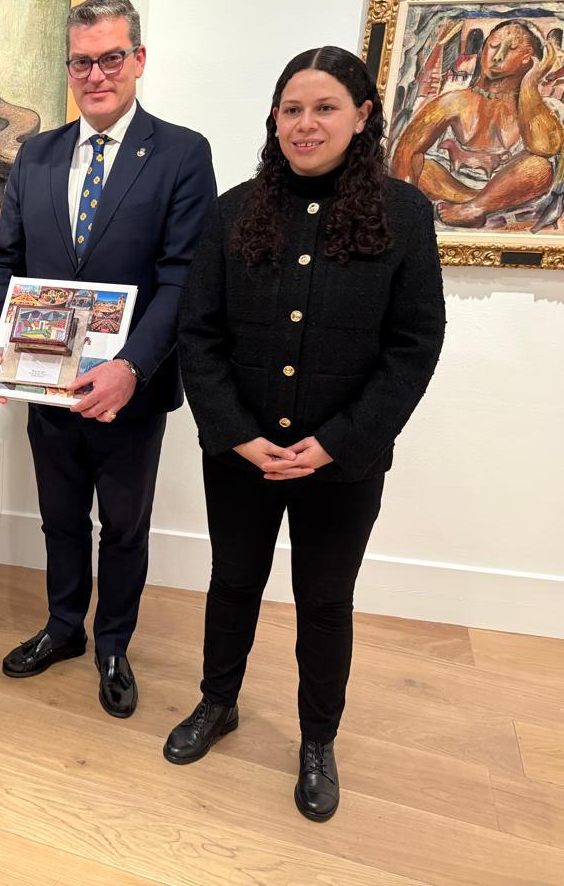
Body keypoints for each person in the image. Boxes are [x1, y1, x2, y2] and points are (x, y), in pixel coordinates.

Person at [169, 45, 446, 822]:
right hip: (243, 454)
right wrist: (235, 433)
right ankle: (217, 702)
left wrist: (337, 442)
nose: (305, 123)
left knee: (325, 601)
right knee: (233, 582)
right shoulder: (234, 210)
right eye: (292, 109)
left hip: (342, 463)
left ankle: (318, 740)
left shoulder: (403, 214)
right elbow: (199, 335)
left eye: (325, 108)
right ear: (274, 118)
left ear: (362, 117)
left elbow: (414, 346)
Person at [0, 0, 216, 718]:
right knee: (59, 518)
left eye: (112, 58)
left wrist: (131, 367)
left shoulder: (181, 154)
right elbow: (5, 261)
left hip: (129, 390)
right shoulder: (37, 155)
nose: (97, 75)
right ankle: (63, 627)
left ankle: (113, 643)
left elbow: (183, 277)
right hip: (45, 382)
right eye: (82, 62)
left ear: (138, 60)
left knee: (124, 526)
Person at [389, 19, 563, 228]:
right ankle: (480, 204)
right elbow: (407, 150)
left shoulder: (543, 108)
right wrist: (403, 212)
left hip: (514, 184)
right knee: (422, 167)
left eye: (511, 49)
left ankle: (474, 208)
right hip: (456, 187)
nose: (497, 56)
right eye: (493, 46)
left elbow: (545, 148)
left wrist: (530, 84)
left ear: (531, 61)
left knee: (539, 168)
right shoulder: (454, 101)